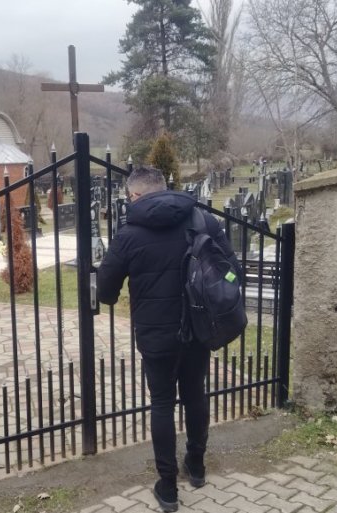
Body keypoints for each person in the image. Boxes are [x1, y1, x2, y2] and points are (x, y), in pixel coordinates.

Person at [97, 167, 240, 512]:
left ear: (134, 196)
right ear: (163, 188)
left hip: (156, 334)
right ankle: (197, 465)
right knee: (195, 394)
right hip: (199, 327)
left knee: (162, 403)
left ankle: (168, 486)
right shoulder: (202, 220)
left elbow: (105, 292)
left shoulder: (128, 234)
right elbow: (232, 270)